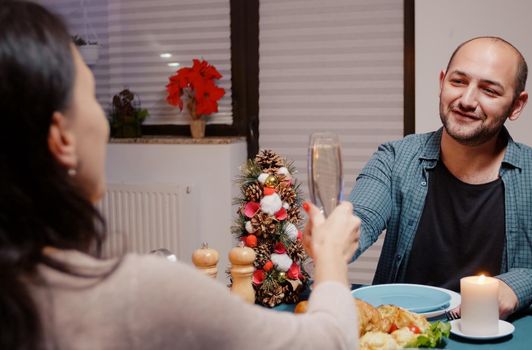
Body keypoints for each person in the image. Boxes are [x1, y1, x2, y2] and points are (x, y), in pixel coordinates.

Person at [0, 1, 361, 349]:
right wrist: (330, 256)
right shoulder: (140, 294)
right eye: (93, 97)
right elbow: (327, 341)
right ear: (63, 139)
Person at [349, 36, 532, 319]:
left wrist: (514, 288)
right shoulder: (395, 158)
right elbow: (360, 218)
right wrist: (335, 237)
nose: (467, 100)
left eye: (489, 91)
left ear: (517, 105)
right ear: (442, 82)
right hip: (403, 336)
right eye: (458, 82)